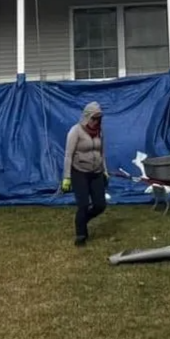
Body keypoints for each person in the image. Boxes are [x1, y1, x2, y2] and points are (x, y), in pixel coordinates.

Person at [61, 102, 109, 245]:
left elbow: (102, 153)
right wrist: (66, 177)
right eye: (93, 118)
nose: (96, 122)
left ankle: (82, 220)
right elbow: (68, 155)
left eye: (98, 119)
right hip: (79, 172)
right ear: (87, 117)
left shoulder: (100, 131)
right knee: (83, 205)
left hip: (97, 172)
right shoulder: (75, 131)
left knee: (100, 205)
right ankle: (81, 235)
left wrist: (105, 171)